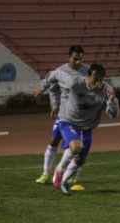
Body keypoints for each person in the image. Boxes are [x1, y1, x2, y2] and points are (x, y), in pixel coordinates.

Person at [35, 64, 119, 194]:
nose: (97, 83)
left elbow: (113, 114)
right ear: (87, 76)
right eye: (94, 79)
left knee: (80, 160)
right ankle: (59, 169)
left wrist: (112, 101)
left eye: (100, 80)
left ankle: (64, 183)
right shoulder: (74, 82)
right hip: (68, 121)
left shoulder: (107, 90)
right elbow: (55, 74)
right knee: (75, 147)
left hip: (87, 127)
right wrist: (42, 87)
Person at [34, 45, 89, 185]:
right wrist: (55, 106)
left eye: (80, 59)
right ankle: (46, 174)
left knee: (78, 145)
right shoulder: (60, 71)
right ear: (68, 57)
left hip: (80, 116)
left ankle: (73, 175)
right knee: (53, 142)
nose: (78, 62)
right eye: (75, 59)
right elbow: (53, 89)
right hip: (64, 113)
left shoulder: (87, 71)